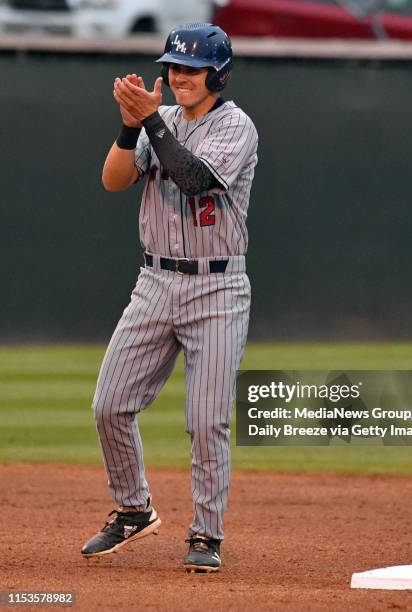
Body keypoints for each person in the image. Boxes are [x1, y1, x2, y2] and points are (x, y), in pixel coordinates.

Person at [80, 22, 258, 573]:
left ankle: (207, 534)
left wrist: (150, 119)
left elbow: (194, 178)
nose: (179, 76)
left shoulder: (237, 127)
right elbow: (112, 181)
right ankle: (133, 510)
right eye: (173, 67)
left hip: (217, 286)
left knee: (207, 420)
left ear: (217, 75)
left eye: (191, 68)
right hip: (155, 283)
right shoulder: (163, 122)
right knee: (109, 404)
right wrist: (130, 126)